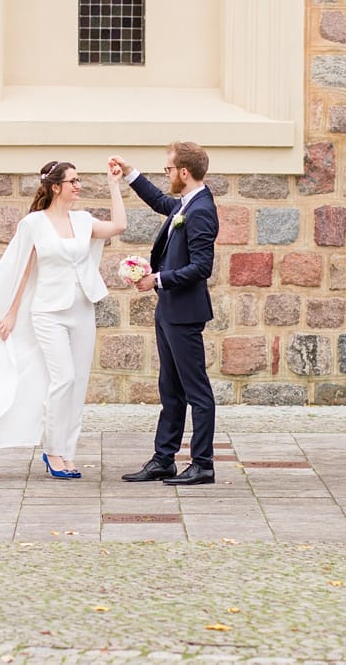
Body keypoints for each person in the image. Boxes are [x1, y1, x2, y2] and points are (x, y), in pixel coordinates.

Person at [0, 161, 127, 477]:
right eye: (73, 181)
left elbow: (119, 226)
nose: (78, 185)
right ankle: (53, 451)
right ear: (56, 186)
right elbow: (23, 270)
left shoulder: (84, 221)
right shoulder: (34, 224)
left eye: (79, 180)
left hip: (81, 309)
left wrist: (115, 186)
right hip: (47, 312)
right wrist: (11, 313)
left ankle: (66, 452)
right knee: (64, 379)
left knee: (78, 382)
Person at [110, 143, 219, 487]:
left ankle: (202, 464)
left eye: (169, 170)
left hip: (185, 313)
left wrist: (156, 278)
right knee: (170, 389)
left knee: (196, 391)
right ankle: (164, 459)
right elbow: (160, 202)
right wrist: (129, 172)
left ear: (184, 172)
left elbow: (201, 267)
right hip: (169, 310)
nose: (167, 174)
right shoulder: (187, 204)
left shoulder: (201, 210)